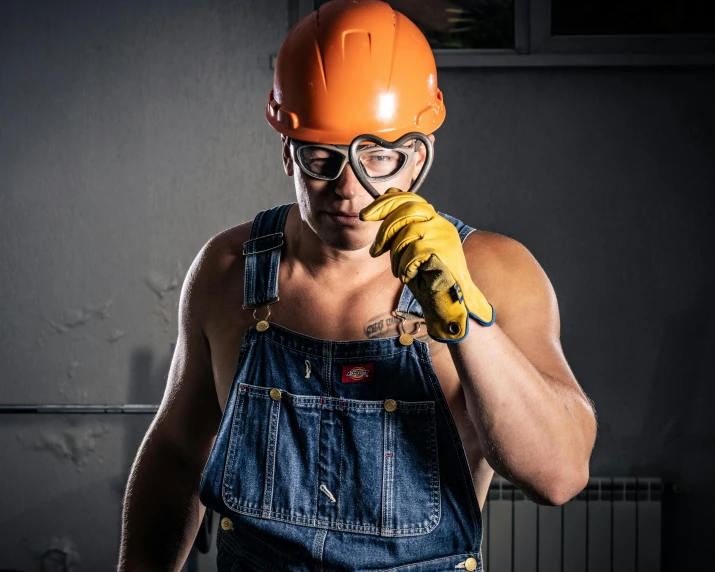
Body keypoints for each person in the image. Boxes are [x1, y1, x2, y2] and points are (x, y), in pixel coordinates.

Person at [118, 1, 598, 570]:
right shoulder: (228, 270)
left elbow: (560, 476)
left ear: (420, 154)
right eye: (322, 158)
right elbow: (177, 455)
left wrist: (469, 319)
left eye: (378, 157)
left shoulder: (495, 271)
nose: (349, 189)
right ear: (287, 150)